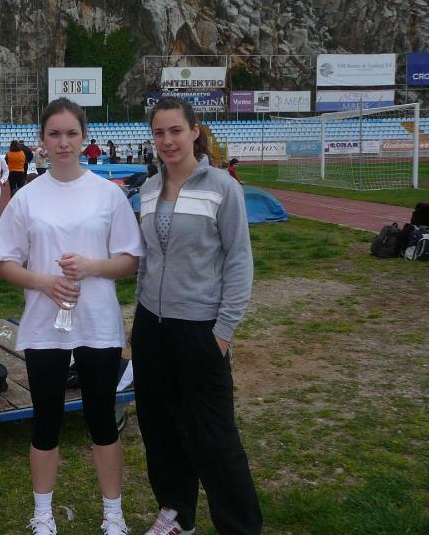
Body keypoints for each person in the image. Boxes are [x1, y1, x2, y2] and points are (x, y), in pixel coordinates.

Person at [0, 98, 143, 535]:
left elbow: (130, 259)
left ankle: (113, 514)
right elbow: (4, 262)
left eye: (71, 133)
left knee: (102, 421)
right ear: (41, 140)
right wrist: (43, 282)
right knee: (46, 421)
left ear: (84, 138)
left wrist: (91, 267)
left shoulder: (107, 194)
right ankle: (43, 514)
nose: (63, 142)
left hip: (97, 325)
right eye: (54, 134)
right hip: (44, 327)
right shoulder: (28, 197)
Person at [132, 98, 261, 535]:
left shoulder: (223, 187)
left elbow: (239, 262)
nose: (167, 140)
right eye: (159, 133)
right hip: (152, 327)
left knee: (215, 437)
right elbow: (148, 259)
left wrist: (223, 332)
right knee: (160, 431)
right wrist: (140, 317)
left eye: (175, 130)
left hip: (201, 328)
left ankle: (239, 527)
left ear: (194, 131)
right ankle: (177, 516)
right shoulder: (149, 189)